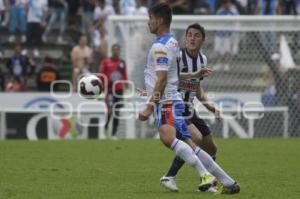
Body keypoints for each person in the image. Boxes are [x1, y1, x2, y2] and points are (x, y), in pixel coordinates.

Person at [138, 3, 240, 194]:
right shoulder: (173, 43)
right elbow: (171, 76)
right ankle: (228, 182)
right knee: (192, 143)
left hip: (166, 102)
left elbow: (162, 79)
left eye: (150, 18)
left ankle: (203, 175)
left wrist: (149, 106)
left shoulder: (160, 46)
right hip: (174, 99)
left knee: (169, 138)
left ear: (159, 20)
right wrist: (150, 91)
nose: (148, 22)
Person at [160, 23, 220, 192]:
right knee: (196, 138)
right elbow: (170, 76)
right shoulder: (177, 57)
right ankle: (169, 176)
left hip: (190, 108)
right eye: (190, 35)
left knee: (211, 147)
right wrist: (194, 74)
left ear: (203, 40)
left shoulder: (203, 60)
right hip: (175, 105)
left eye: (197, 35)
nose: (193, 38)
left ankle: (206, 183)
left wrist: (212, 108)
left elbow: (197, 89)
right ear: (185, 38)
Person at [100, 44, 127, 139]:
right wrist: (103, 89)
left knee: (117, 111)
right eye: (114, 50)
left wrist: (125, 89)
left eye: (118, 50)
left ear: (119, 51)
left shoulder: (122, 63)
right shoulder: (106, 62)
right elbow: (101, 76)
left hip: (119, 90)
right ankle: (105, 128)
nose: (116, 52)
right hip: (110, 90)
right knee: (110, 111)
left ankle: (114, 134)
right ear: (112, 51)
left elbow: (124, 76)